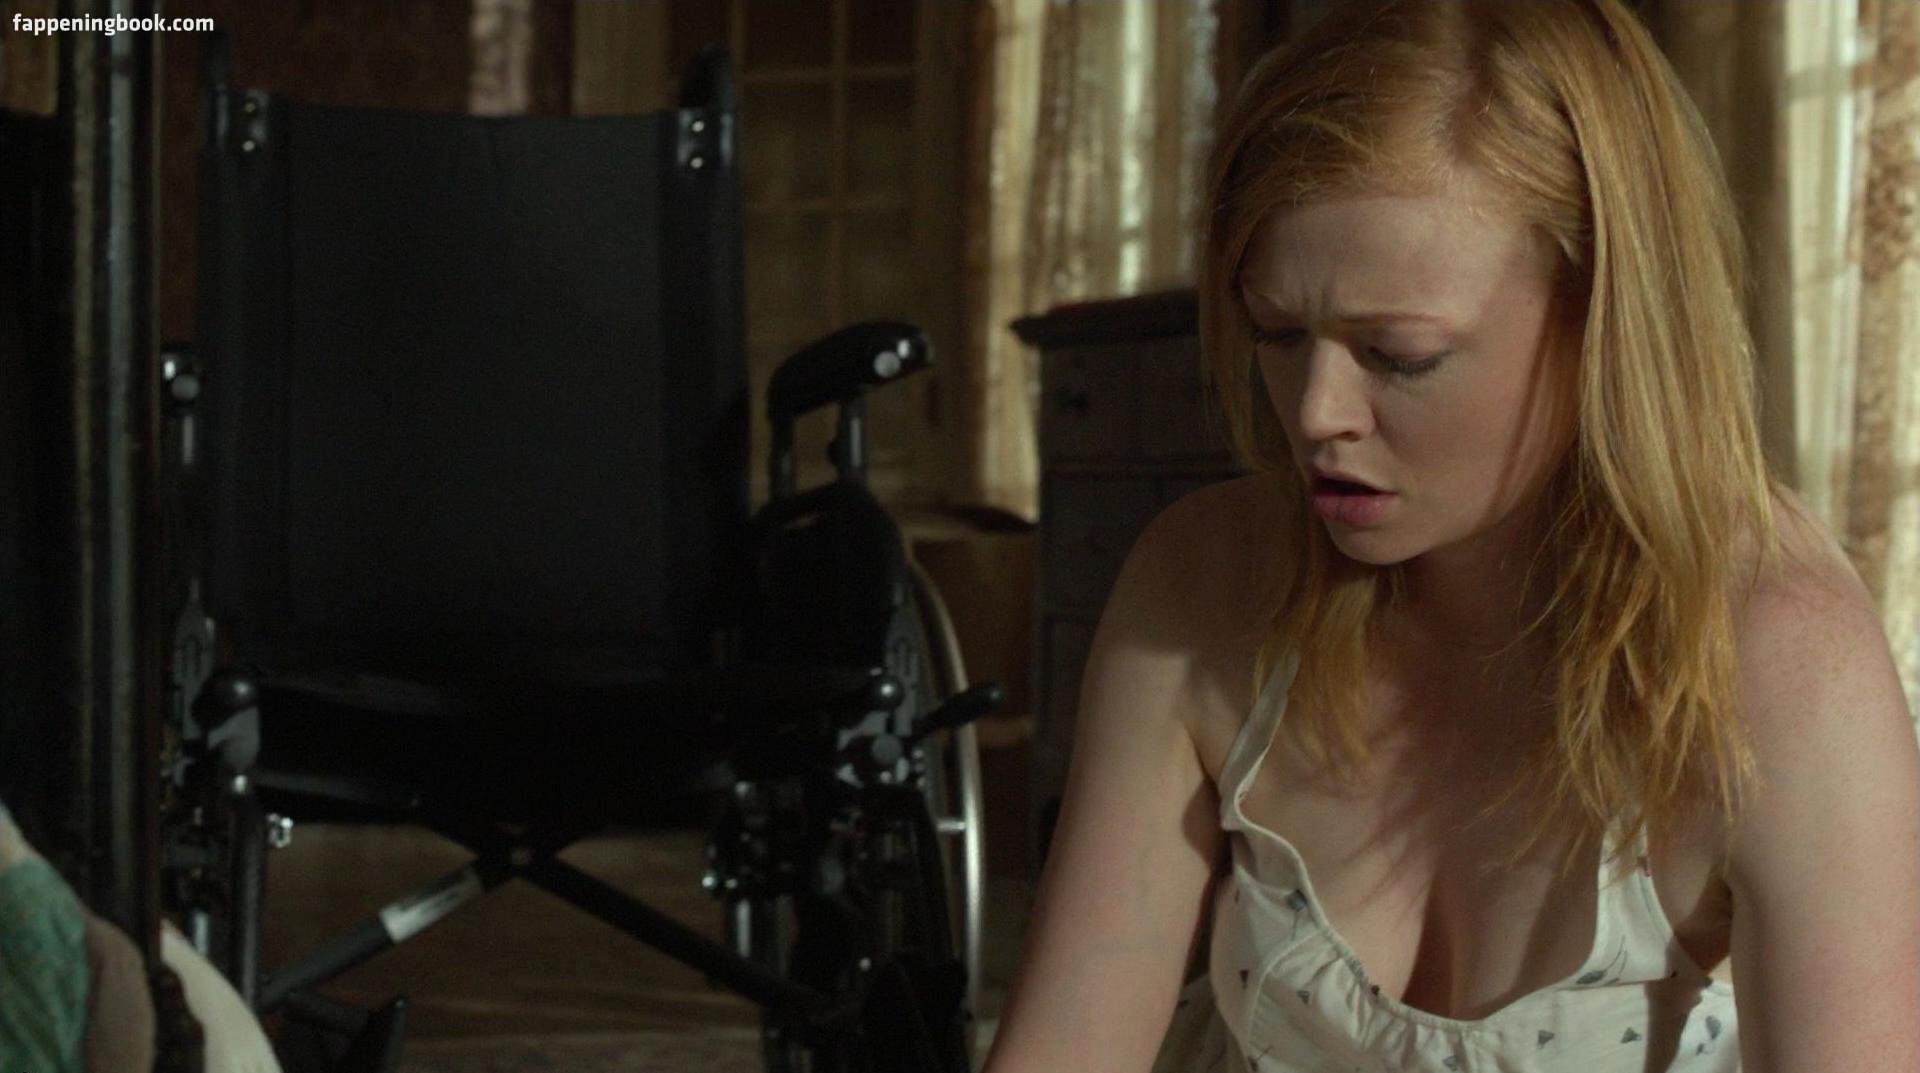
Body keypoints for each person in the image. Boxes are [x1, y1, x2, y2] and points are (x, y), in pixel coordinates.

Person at [977, 2, 1920, 1071]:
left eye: (1399, 353)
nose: (1315, 412)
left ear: (1603, 314)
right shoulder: (1201, 582)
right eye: (1277, 332)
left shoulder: (1782, 659)